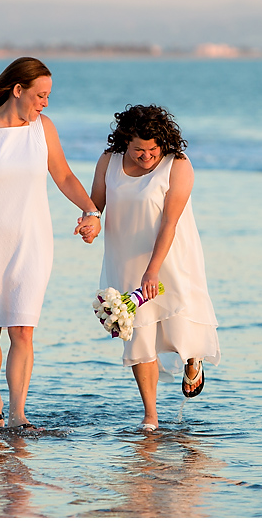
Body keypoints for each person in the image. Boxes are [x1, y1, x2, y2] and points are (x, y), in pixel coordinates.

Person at [0, 57, 102, 430]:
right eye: (41, 95)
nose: (45, 103)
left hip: (32, 241)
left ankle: (17, 415)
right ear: (18, 90)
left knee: (23, 328)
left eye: (48, 96)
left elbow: (63, 175)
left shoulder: (43, 129)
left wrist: (92, 211)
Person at [87, 104, 220, 431]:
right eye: (138, 150)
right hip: (125, 255)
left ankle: (193, 357)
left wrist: (153, 269)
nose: (146, 156)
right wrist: (90, 221)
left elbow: (170, 223)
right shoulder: (109, 161)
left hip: (170, 254)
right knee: (139, 335)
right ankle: (151, 415)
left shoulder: (178, 165)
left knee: (178, 328)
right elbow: (96, 205)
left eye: (152, 150)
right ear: (125, 142)